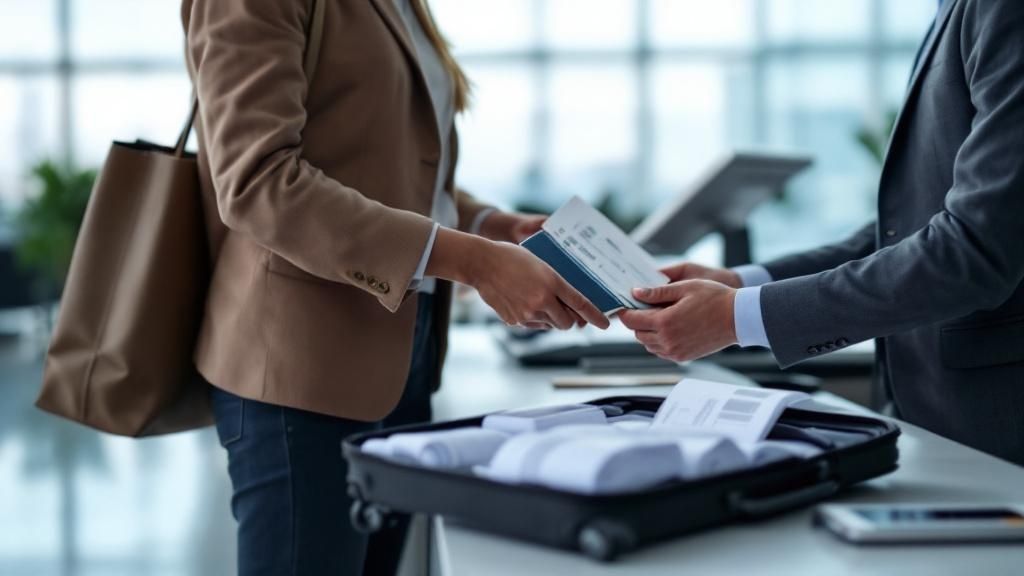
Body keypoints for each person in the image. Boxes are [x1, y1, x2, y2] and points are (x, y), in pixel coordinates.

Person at [181, 0, 609, 574]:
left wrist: (488, 226)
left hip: (403, 349)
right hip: (300, 365)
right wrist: (476, 262)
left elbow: (382, 163)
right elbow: (259, 182)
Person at [619, 0, 1024, 467]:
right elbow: (909, 225)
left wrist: (738, 317)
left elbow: (972, 248)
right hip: (938, 415)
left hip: (996, 429)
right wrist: (742, 286)